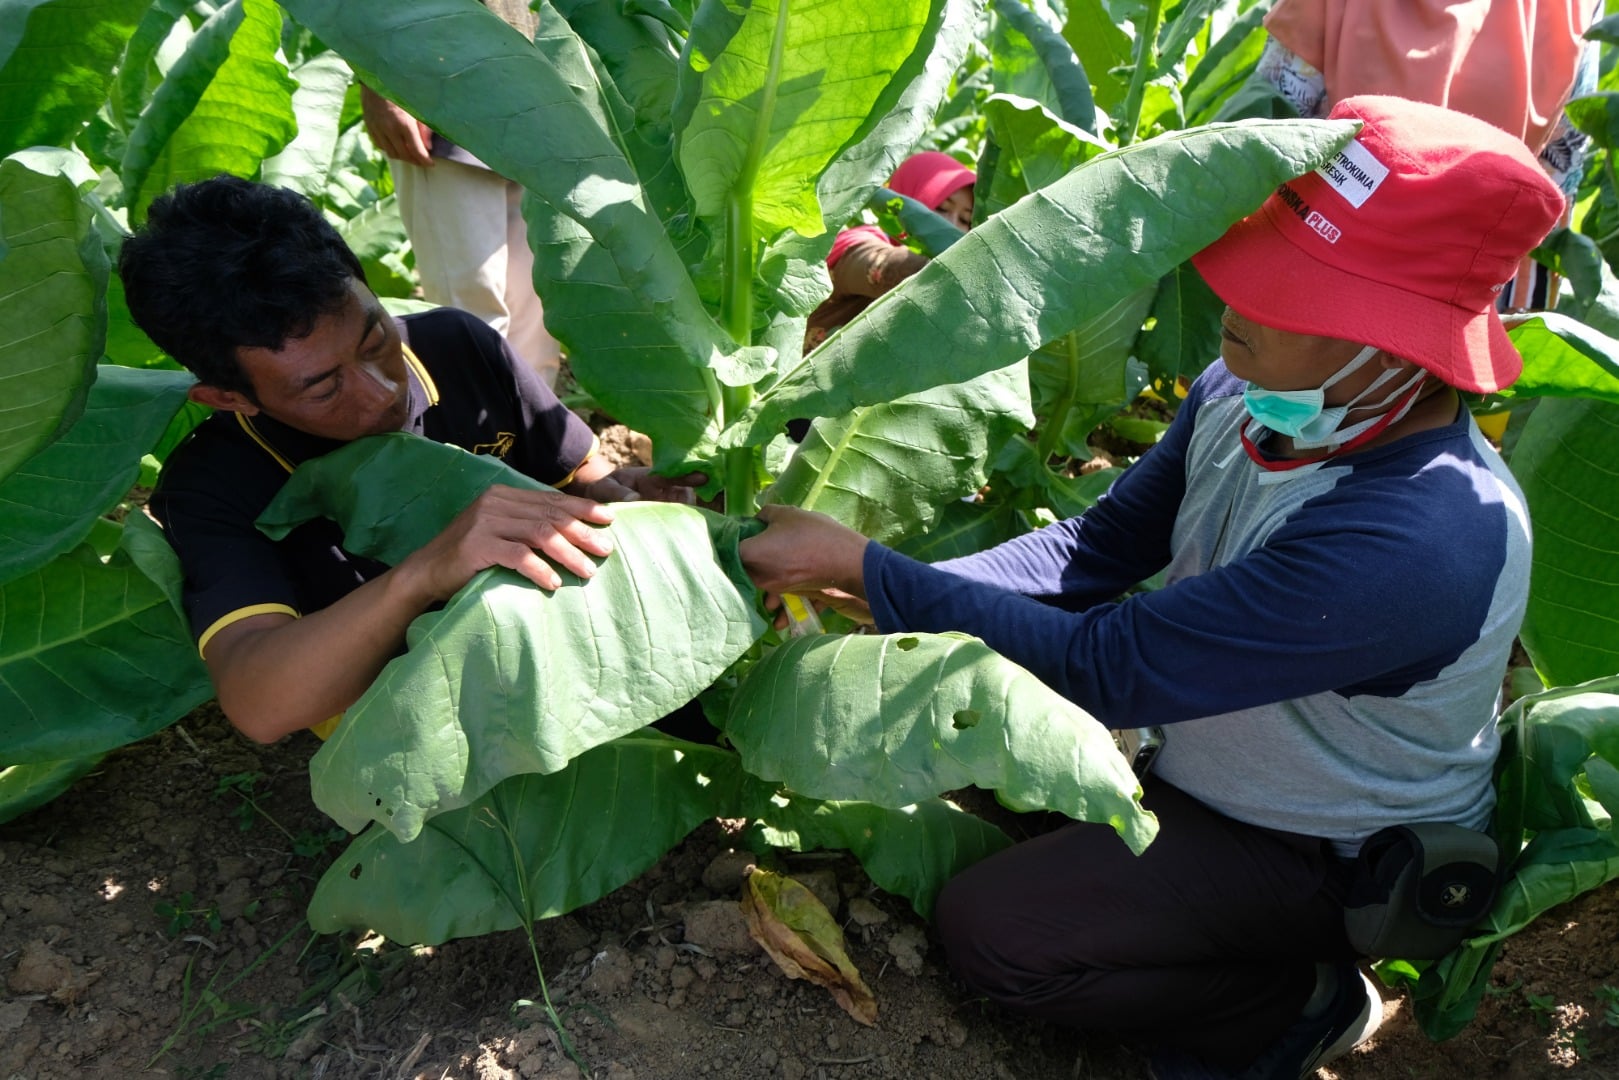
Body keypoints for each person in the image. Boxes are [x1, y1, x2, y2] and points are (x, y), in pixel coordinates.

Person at [739, 96, 1563, 1077]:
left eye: (1289, 297)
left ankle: (1293, 1006)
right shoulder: (1249, 394)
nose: (1235, 308)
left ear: (1391, 346)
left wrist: (866, 570)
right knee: (946, 752)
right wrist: (891, 593)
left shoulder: (1423, 532)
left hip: (1319, 851)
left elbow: (1111, 667)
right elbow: (1089, 551)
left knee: (995, 930)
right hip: (1186, 756)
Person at [120, 177, 697, 745]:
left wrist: (648, 504)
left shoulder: (460, 346)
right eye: (323, 389)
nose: (381, 394)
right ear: (230, 397)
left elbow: (587, 482)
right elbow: (261, 704)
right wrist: (423, 574)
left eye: (375, 343)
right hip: (426, 734)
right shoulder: (212, 485)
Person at [1255, 0, 1594, 312]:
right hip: (1460, 281)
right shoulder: (1570, 9)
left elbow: (1274, 132)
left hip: (1327, 254)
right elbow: (1552, 185)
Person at [359, 0, 563, 386]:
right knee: (470, 307)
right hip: (434, 81)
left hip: (537, 78)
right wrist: (377, 80)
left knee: (539, 307)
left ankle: (535, 442)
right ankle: (479, 445)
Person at [803, 150, 977, 352]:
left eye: (965, 220)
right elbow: (883, 267)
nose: (951, 225)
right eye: (941, 209)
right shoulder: (857, 241)